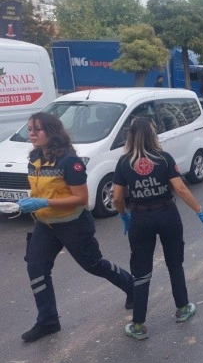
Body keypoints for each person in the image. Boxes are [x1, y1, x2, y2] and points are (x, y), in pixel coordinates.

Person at [17, 112, 134, 343]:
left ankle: (132, 285)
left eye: (37, 129)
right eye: (30, 129)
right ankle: (48, 321)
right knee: (36, 268)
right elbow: (41, 189)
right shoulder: (35, 157)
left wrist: (44, 202)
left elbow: (81, 198)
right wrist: (31, 204)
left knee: (93, 264)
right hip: (45, 224)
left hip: (73, 223)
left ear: (51, 132)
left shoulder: (70, 162)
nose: (31, 133)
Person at [112, 117, 203, 340]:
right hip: (167, 214)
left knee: (141, 270)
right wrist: (199, 212)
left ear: (130, 136)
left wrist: (123, 215)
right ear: (153, 134)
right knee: (174, 264)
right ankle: (183, 309)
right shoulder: (164, 159)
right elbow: (181, 189)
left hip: (140, 218)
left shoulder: (123, 163)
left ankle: (138, 324)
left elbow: (117, 197)